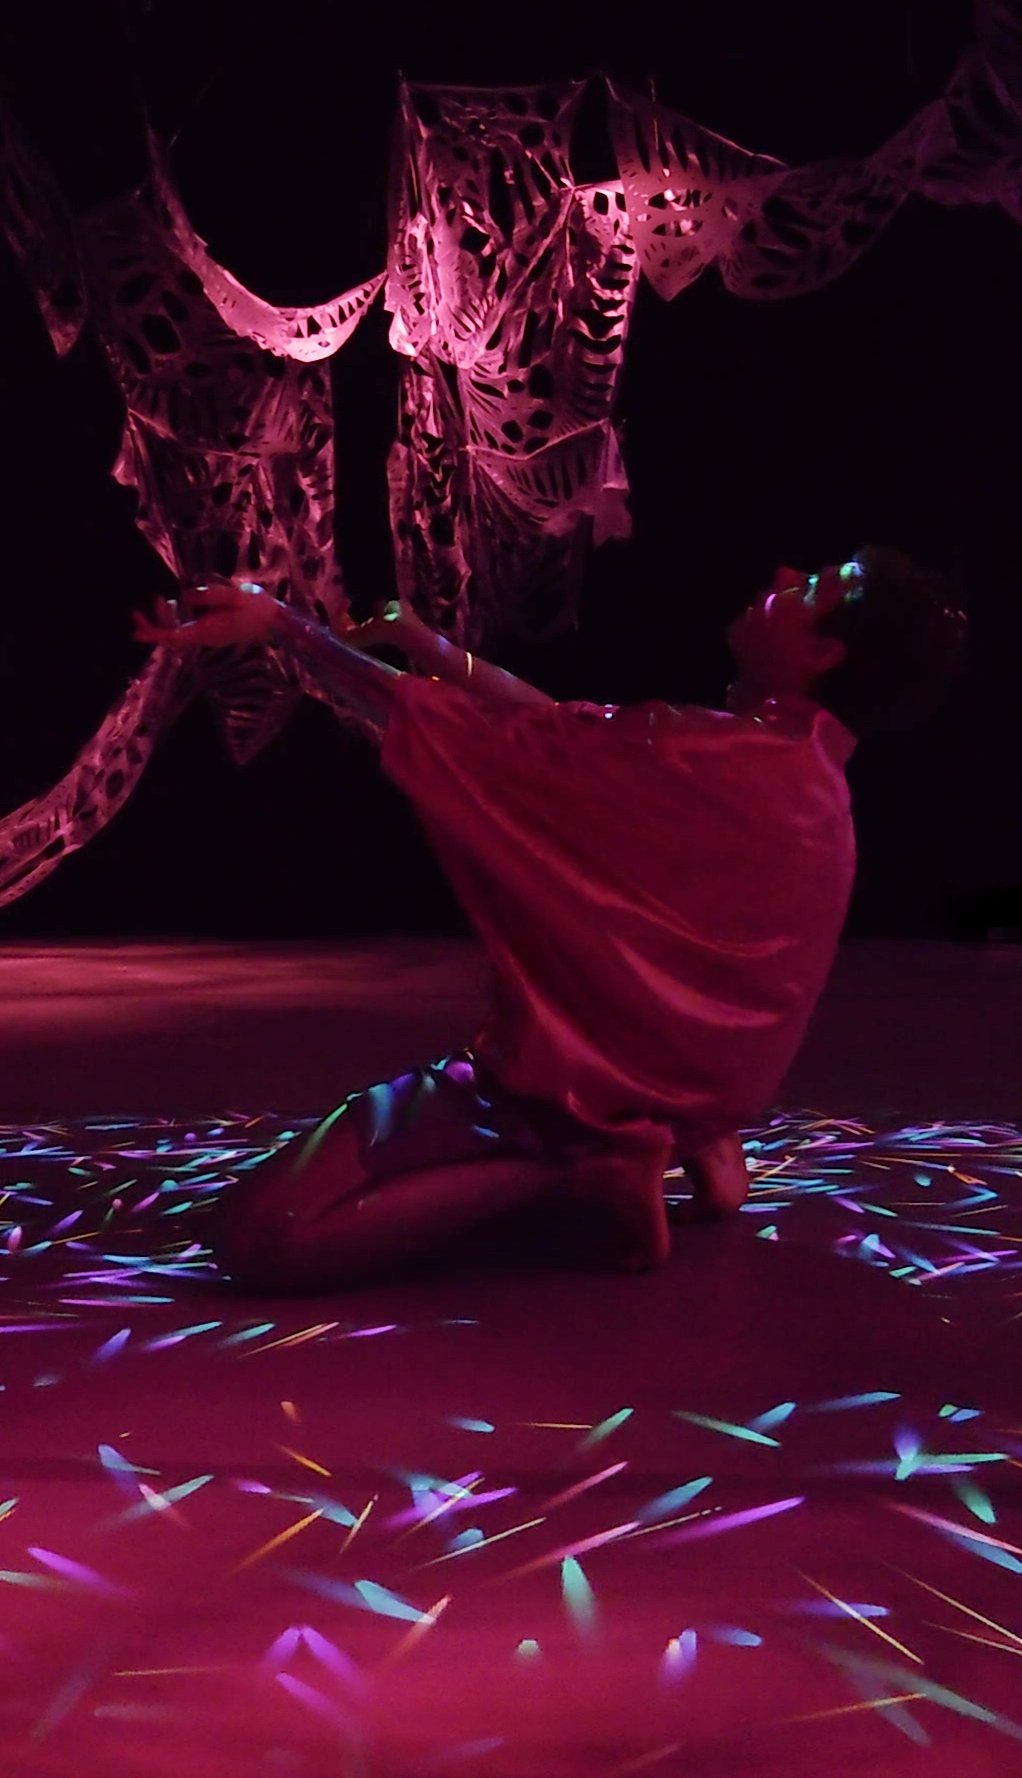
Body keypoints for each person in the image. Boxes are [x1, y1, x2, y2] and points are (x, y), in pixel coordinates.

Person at [133, 547, 966, 1291]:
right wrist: (426, 643)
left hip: (580, 1094)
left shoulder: (720, 757)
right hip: (703, 1089)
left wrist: (284, 628)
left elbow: (508, 740)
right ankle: (688, 1136)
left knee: (263, 1234)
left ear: (823, 653)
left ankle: (589, 1168)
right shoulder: (804, 779)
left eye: (809, 587)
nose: (781, 574)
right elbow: (560, 732)